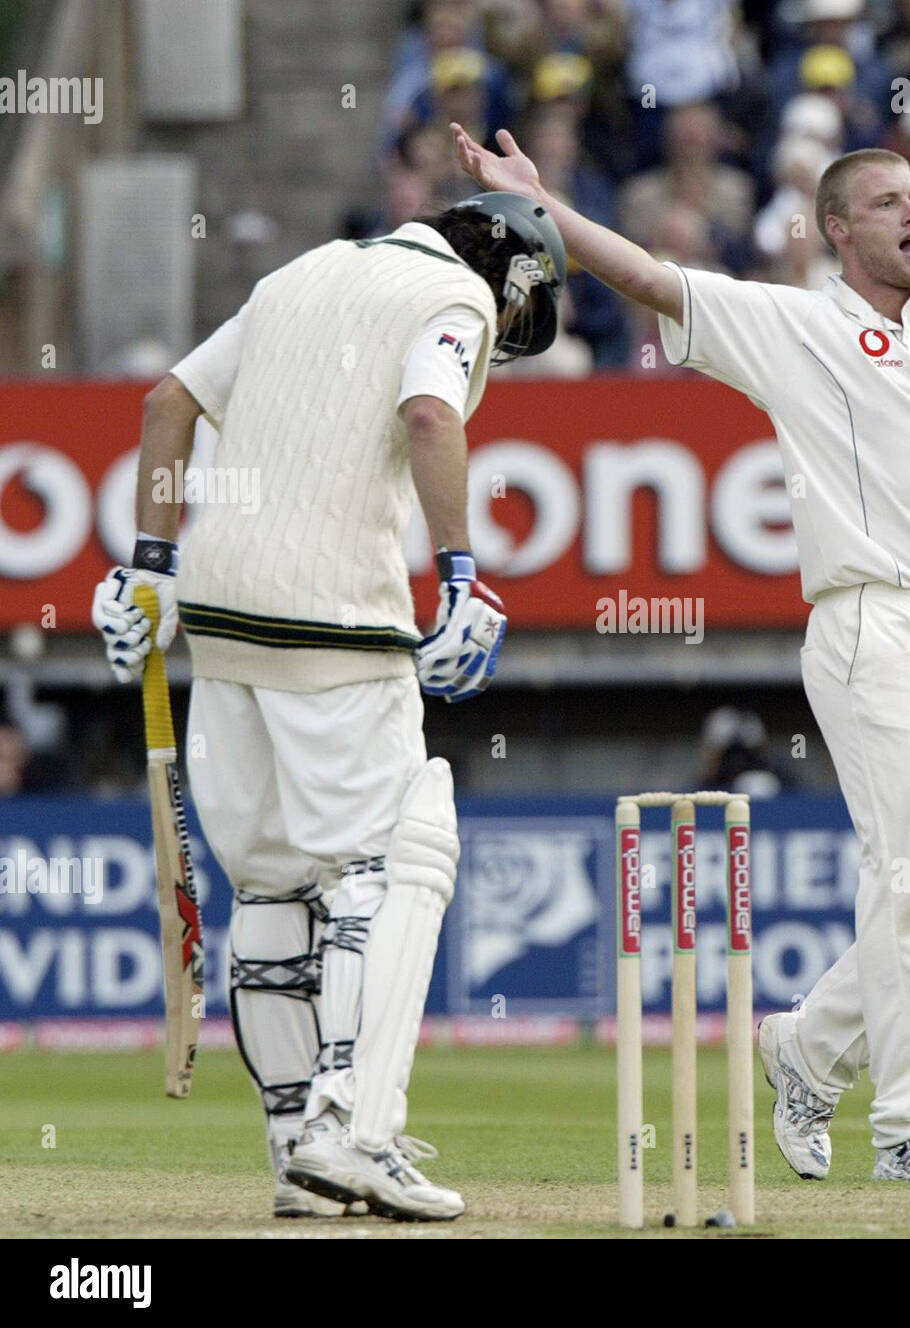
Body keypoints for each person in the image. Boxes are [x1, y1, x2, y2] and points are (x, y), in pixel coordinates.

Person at [453, 61, 910, 1183]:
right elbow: (655, 280)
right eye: (888, 203)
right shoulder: (792, 326)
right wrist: (541, 207)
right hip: (868, 624)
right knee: (907, 873)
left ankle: (804, 1049)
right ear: (833, 232)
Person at [90, 191, 566, 1221]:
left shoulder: (293, 275)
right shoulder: (453, 294)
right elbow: (431, 413)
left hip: (218, 620)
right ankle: (352, 1128)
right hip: (334, 621)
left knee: (269, 887)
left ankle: (294, 1154)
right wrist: (461, 578)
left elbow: (166, 400)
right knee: (395, 857)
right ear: (510, 276)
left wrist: (150, 569)